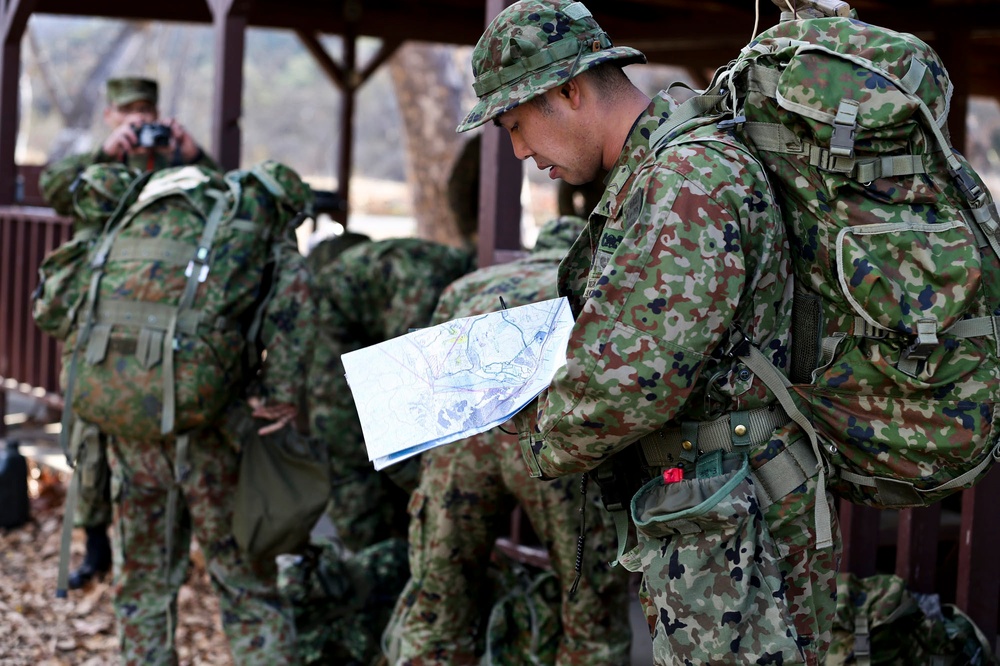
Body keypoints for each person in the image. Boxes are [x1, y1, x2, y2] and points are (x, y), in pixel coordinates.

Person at [458, 2, 840, 665]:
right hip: (714, 505)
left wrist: (527, 428)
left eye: (518, 125)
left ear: (569, 91)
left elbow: (633, 381)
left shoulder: (683, 180)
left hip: (733, 519)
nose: (520, 151)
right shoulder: (661, 174)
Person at [384, 215, 633, 666]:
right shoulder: (588, 280)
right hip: (548, 440)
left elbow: (429, 380)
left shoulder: (470, 284)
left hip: (462, 445)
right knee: (589, 611)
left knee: (439, 608)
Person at [37, 76, 217, 591]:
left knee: (158, 423)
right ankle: (97, 548)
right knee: (88, 432)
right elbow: (57, 190)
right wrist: (106, 154)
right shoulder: (99, 163)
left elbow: (224, 197)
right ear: (110, 116)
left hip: (163, 316)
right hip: (99, 313)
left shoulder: (179, 163)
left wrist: (192, 153)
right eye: (129, 114)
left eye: (147, 114)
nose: (140, 125)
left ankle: (159, 550)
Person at [307, 238, 476, 552]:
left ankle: (401, 538)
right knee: (347, 439)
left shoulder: (456, 276)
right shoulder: (425, 284)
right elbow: (408, 375)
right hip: (331, 326)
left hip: (365, 322)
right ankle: (369, 556)